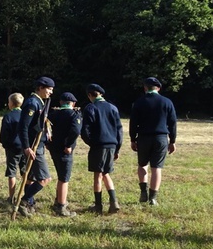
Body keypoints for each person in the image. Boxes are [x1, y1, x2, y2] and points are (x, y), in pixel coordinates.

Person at [130, 76, 177, 206]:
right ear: (159, 88)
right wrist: (172, 141)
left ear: (145, 88)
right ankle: (153, 198)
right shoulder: (167, 102)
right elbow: (172, 123)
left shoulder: (139, 102)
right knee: (157, 168)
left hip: (144, 137)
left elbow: (133, 123)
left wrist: (133, 139)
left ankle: (143, 191)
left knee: (142, 164)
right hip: (161, 138)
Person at [81, 83, 123, 214]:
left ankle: (98, 206)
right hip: (112, 145)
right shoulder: (113, 108)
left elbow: (85, 131)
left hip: (98, 145)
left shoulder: (90, 108)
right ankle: (114, 201)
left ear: (90, 95)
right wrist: (117, 148)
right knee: (106, 173)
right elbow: (119, 130)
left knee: (97, 175)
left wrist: (91, 143)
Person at [16, 76, 55, 217]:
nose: (51, 92)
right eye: (49, 89)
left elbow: (40, 121)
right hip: (33, 147)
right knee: (45, 179)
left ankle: (29, 205)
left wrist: (47, 130)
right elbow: (23, 127)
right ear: (40, 87)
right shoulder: (32, 103)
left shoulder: (40, 102)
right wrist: (26, 147)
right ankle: (24, 201)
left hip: (38, 145)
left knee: (30, 178)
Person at [46, 92, 82, 217]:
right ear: (73, 103)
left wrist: (47, 143)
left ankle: (58, 200)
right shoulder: (74, 115)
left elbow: (46, 128)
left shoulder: (53, 114)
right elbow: (76, 130)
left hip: (54, 148)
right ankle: (61, 206)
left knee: (61, 174)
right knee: (64, 178)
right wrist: (69, 145)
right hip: (65, 150)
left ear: (61, 102)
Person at [0, 92, 25, 202]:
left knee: (12, 172)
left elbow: (4, 133)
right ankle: (27, 197)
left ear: (12, 103)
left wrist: (5, 144)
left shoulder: (8, 116)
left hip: (12, 147)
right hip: (25, 147)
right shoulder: (26, 115)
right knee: (26, 172)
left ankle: (12, 197)